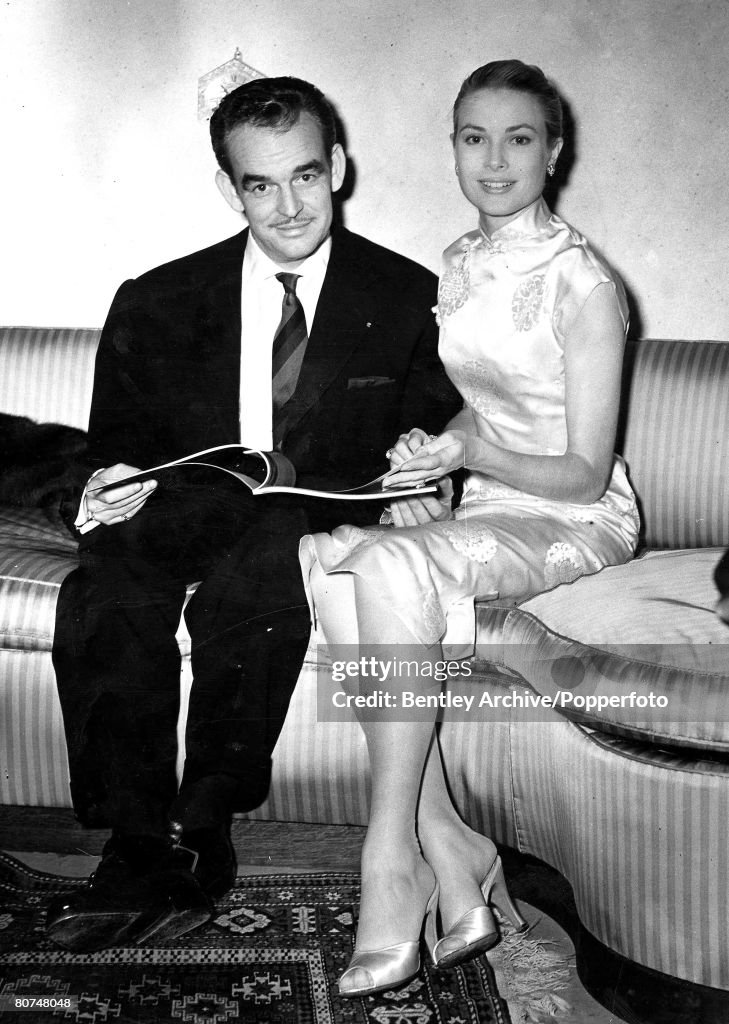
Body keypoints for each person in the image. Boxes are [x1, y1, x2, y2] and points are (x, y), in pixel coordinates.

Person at [46, 75, 459, 952]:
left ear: (338, 167)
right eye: (259, 185)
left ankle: (202, 830)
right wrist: (111, 481)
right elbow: (107, 442)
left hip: (304, 510)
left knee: (264, 558)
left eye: (305, 176)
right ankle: (132, 840)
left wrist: (428, 480)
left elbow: (441, 429)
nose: (287, 206)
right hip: (190, 500)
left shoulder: (407, 297)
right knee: (108, 573)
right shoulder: (157, 298)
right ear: (230, 187)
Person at [300, 59, 640, 998]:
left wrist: (465, 462)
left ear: (553, 152)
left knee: (393, 569)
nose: (494, 160)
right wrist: (432, 447)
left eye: (518, 138)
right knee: (328, 556)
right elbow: (477, 412)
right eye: (473, 137)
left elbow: (578, 470)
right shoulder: (456, 261)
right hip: (487, 501)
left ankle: (390, 858)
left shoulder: (585, 286)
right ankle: (452, 842)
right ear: (453, 146)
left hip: (574, 517)